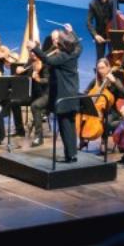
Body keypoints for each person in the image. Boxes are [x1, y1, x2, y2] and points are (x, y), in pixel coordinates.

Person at [27, 25, 82, 162]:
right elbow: (79, 45)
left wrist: (34, 48)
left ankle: (70, 156)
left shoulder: (63, 57)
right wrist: (72, 32)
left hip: (64, 97)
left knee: (65, 127)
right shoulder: (75, 53)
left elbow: (47, 60)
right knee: (70, 126)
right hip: (73, 95)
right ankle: (72, 153)